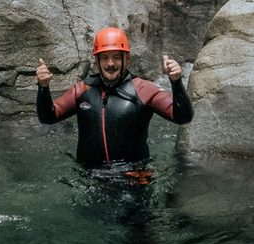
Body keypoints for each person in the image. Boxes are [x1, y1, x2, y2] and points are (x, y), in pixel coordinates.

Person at [35, 27, 193, 168]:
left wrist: (176, 82)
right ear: (97, 61)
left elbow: (183, 117)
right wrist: (43, 87)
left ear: (127, 59)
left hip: (133, 177)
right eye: (104, 58)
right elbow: (48, 117)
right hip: (90, 178)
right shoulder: (82, 89)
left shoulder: (144, 89)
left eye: (116, 57)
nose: (110, 63)